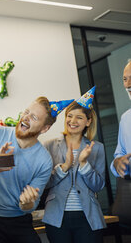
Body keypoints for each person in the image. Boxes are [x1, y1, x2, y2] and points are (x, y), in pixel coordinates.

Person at [0, 96, 57, 243]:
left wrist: (26, 203)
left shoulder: (44, 160)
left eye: (34, 117)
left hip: (18, 220)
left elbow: (31, 206)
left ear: (44, 128)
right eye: (27, 112)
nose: (26, 117)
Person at [43, 88, 106, 243]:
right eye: (69, 116)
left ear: (88, 121)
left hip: (88, 217)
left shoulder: (96, 147)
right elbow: (44, 183)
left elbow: (98, 186)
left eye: (79, 117)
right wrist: (64, 167)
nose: (72, 121)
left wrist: (84, 164)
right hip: (57, 217)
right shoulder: (49, 145)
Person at [111, 60, 131, 178]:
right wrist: (117, 163)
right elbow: (120, 154)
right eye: (125, 79)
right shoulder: (126, 118)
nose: (128, 85)